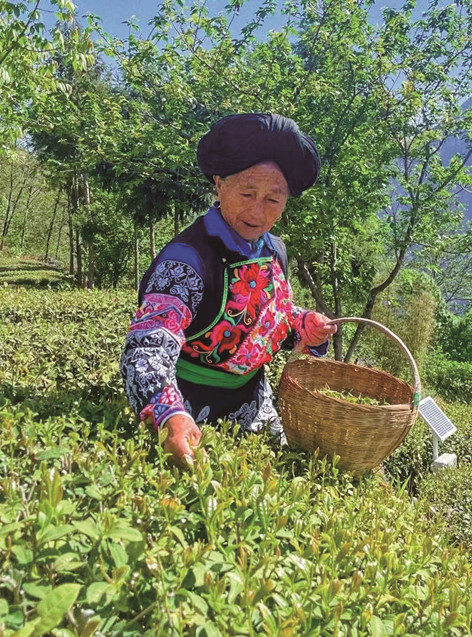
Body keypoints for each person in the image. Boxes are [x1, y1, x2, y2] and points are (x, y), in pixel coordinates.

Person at [120, 113, 336, 465]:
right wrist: (168, 414)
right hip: (187, 409)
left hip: (255, 405)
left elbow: (264, 319)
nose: (257, 212)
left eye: (273, 200)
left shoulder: (274, 250)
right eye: (247, 193)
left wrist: (303, 325)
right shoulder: (186, 260)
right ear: (219, 184)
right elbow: (146, 348)